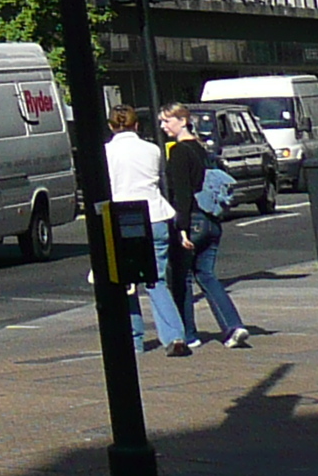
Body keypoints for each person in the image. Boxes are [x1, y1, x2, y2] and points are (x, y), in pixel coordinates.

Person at [159, 106, 253, 348]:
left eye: (167, 121)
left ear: (183, 121)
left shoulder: (180, 151)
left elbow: (182, 192)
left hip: (193, 220)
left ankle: (189, 335)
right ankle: (234, 326)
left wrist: (181, 228)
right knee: (207, 275)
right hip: (211, 219)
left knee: (181, 278)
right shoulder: (202, 150)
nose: (163, 126)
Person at [104, 107, 187, 354]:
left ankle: (134, 340)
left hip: (123, 218)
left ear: (111, 126)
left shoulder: (106, 153)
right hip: (156, 214)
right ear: (136, 125)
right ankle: (174, 336)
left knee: (125, 281)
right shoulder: (152, 150)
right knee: (156, 279)